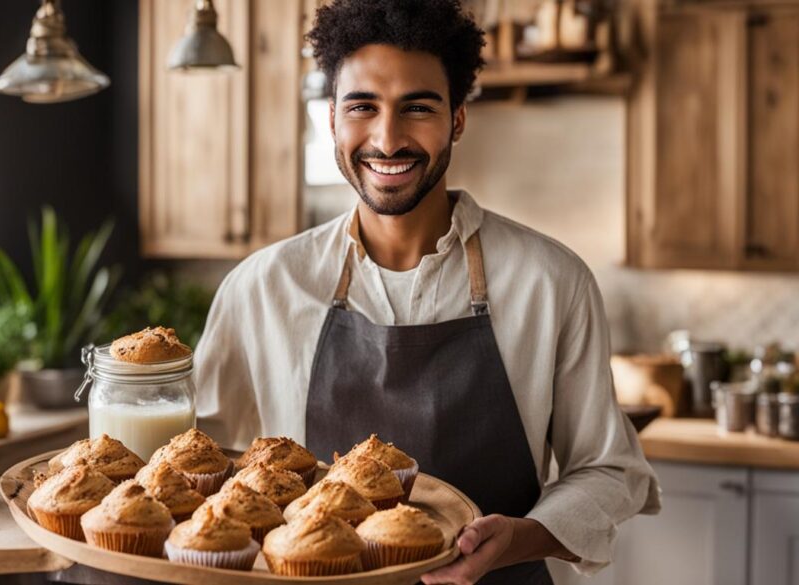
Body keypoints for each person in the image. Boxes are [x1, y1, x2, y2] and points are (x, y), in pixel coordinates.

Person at [194, 0, 660, 583]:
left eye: (417, 108)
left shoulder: (551, 282)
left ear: (457, 120)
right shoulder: (262, 289)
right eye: (363, 107)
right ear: (332, 119)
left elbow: (610, 470)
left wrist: (520, 537)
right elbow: (197, 473)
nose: (388, 140)